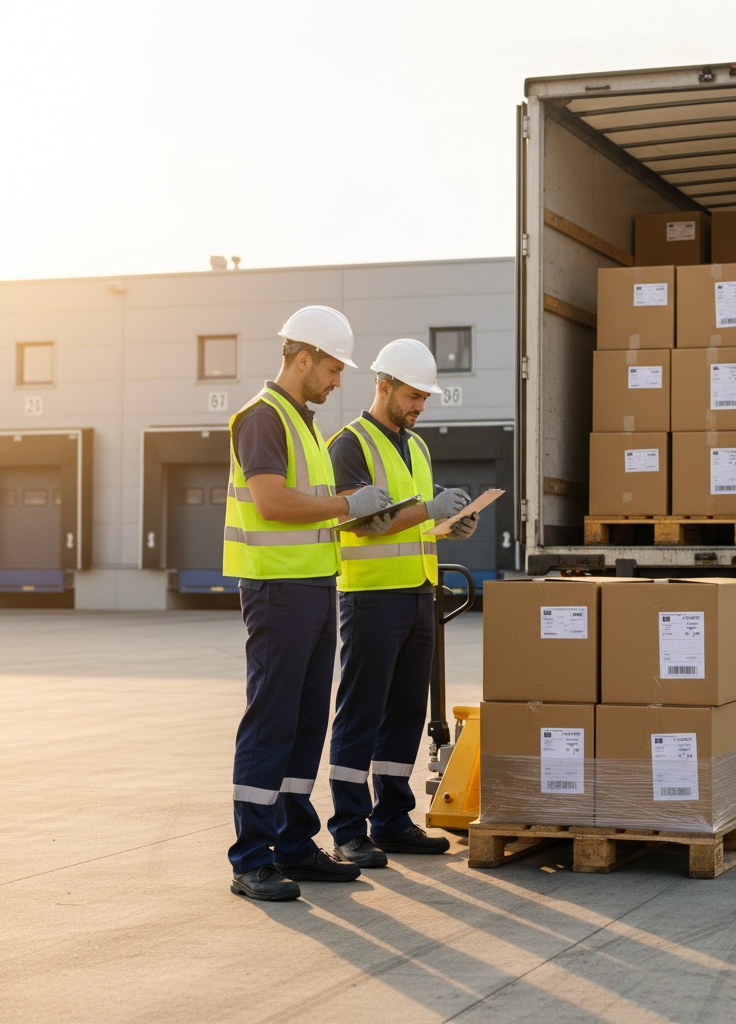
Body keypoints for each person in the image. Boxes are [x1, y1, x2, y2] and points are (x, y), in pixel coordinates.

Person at [224, 305, 394, 902]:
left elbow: (315, 508)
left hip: (316, 585)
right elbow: (272, 503)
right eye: (331, 367)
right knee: (271, 721)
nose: (337, 379)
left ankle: (293, 844)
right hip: (278, 590)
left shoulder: (304, 425)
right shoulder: (262, 418)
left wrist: (361, 512)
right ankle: (250, 858)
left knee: (303, 725)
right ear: (303, 359)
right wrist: (349, 506)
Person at [325, 337, 479, 868]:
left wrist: (449, 525)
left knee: (407, 713)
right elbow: (365, 524)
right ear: (383, 386)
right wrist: (429, 510)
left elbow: (417, 519)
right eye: (412, 396)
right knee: (360, 714)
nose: (419, 407)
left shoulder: (417, 446)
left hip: (418, 592)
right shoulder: (349, 444)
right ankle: (348, 828)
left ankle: (391, 819)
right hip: (370, 597)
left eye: (424, 399)